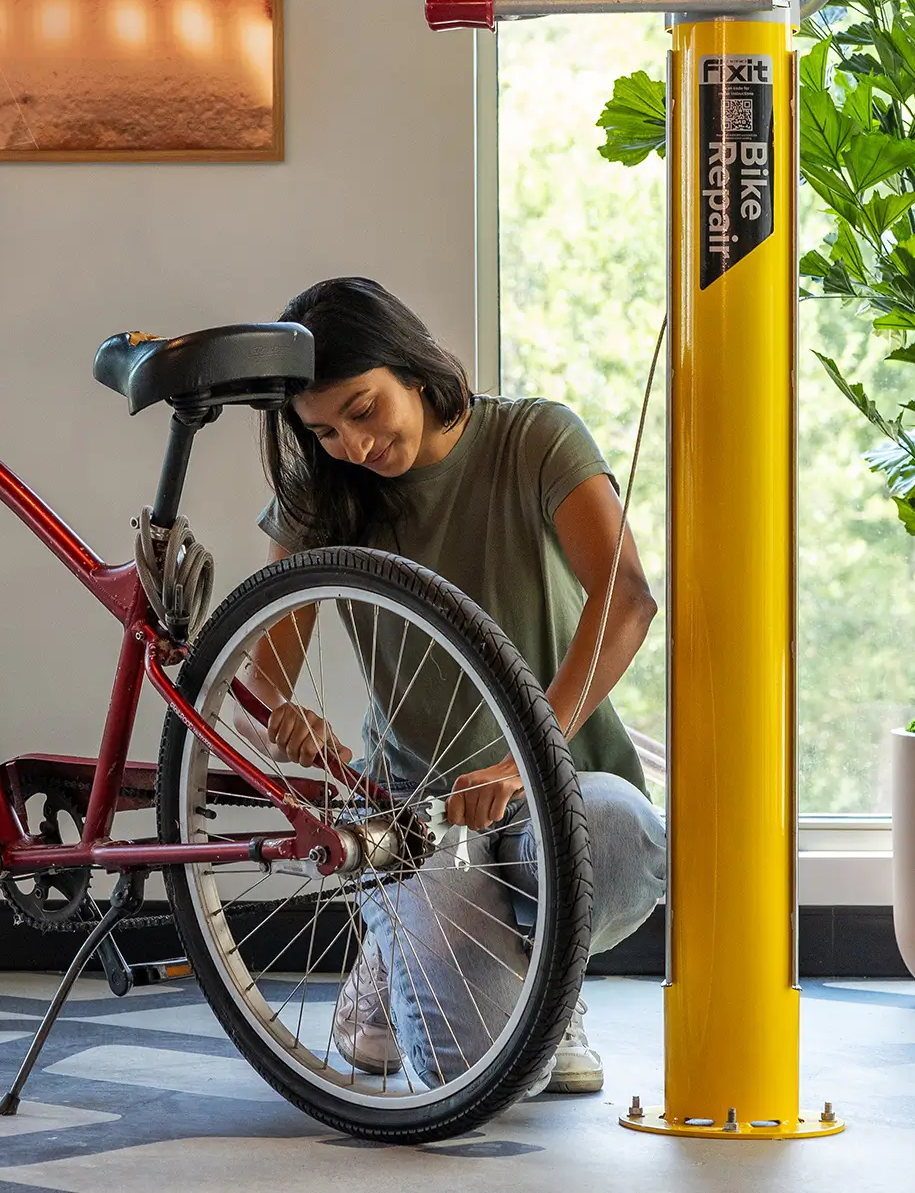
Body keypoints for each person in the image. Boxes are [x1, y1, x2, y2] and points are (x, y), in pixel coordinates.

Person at [251, 276, 666, 1095]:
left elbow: (628, 600)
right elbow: (262, 676)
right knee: (475, 1073)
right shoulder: (323, 494)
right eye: (325, 431)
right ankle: (389, 956)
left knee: (621, 843)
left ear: (412, 366)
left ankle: (555, 985)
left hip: (561, 782)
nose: (354, 447)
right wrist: (289, 721)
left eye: (365, 410)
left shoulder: (535, 437)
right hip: (415, 815)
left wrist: (524, 762)